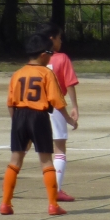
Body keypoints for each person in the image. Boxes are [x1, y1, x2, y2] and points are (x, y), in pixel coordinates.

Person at [0, 34, 78, 216]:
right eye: (50, 53)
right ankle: (53, 205)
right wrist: (68, 118)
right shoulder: (46, 73)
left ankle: (5, 203)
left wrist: (15, 121)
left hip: (19, 115)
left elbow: (10, 102)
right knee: (46, 160)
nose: (51, 57)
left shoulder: (17, 74)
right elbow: (56, 100)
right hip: (39, 116)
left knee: (15, 160)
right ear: (43, 55)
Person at [38, 23, 79, 202]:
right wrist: (74, 106)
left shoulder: (36, 59)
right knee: (59, 147)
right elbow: (69, 83)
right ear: (51, 39)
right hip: (55, 106)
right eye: (59, 38)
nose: (61, 41)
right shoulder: (62, 58)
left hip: (34, 106)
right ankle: (56, 189)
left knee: (23, 148)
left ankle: (10, 181)